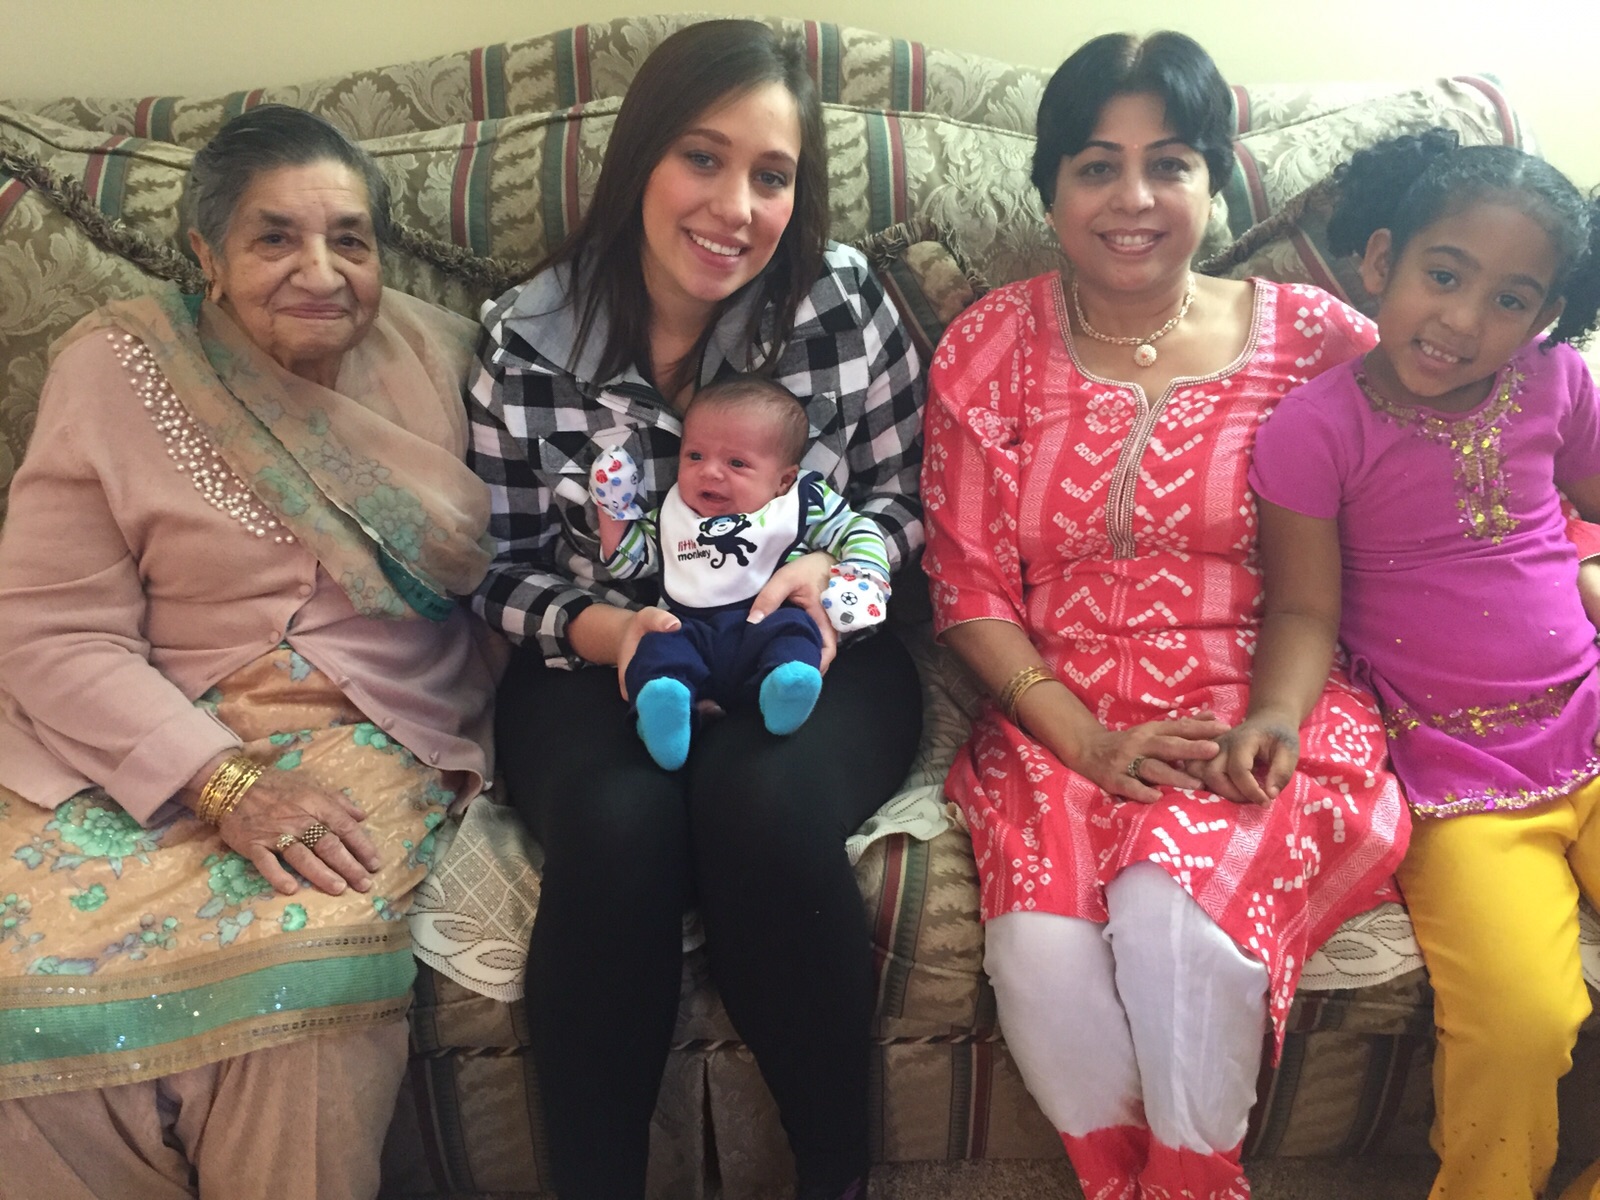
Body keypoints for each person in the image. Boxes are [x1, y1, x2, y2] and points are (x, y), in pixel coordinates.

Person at [919, 32, 1410, 1200]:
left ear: (1214, 182)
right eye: (1097, 166)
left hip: (1267, 709)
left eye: (1170, 164)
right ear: (1050, 190)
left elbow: (1455, 485)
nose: (1133, 198)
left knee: (1172, 922)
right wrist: (1085, 741)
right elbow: (967, 587)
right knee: (1040, 962)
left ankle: (1188, 1185)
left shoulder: (1319, 344)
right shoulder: (989, 346)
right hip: (1061, 722)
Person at [0, 106, 497, 1200]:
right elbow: (51, 629)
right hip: (134, 731)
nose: (320, 272)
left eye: (350, 239)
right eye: (275, 238)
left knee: (298, 989)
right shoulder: (120, 367)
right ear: (207, 254)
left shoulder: (451, 362)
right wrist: (218, 779)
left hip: (373, 729)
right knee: (23, 1006)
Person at [463, 19, 924, 1200]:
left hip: (809, 644)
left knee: (760, 804)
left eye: (772, 176)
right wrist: (613, 633)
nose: (735, 208)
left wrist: (834, 583)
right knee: (619, 827)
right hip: (600, 655)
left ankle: (835, 1176)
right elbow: (498, 569)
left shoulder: (841, 305)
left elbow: (907, 499)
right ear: (641, 160)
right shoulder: (527, 343)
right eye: (702, 159)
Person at [1237, 129, 1600, 1200]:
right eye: (1445, 276)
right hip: (1464, 785)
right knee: (1522, 1019)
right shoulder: (1313, 429)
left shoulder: (1558, 384)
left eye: (1508, 300)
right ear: (1380, 260)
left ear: (1543, 316)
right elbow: (1304, 606)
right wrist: (1275, 716)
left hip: (1592, 719)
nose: (1463, 320)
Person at [591, 374, 893, 769]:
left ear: (784, 479)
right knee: (656, 648)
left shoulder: (802, 501)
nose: (710, 472)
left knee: (796, 629)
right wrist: (613, 512)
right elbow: (628, 562)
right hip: (687, 631)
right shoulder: (673, 515)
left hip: (765, 623)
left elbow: (858, 529)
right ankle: (665, 709)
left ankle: (785, 687)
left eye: (736, 463)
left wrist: (864, 574)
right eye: (695, 456)